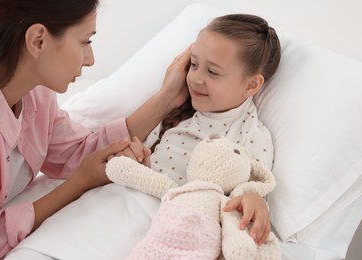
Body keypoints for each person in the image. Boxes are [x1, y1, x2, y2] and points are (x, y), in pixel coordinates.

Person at [0, 0, 190, 258]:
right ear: (38, 40)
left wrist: (167, 98)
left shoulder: (37, 94)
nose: (90, 60)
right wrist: (77, 185)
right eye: (85, 41)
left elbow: (76, 152)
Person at [110, 12, 281, 250]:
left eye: (212, 72)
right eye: (194, 64)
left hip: (182, 223)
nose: (196, 79)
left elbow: (254, 190)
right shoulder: (178, 112)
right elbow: (147, 162)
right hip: (131, 204)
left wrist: (254, 201)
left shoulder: (251, 133)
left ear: (251, 85)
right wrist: (138, 159)